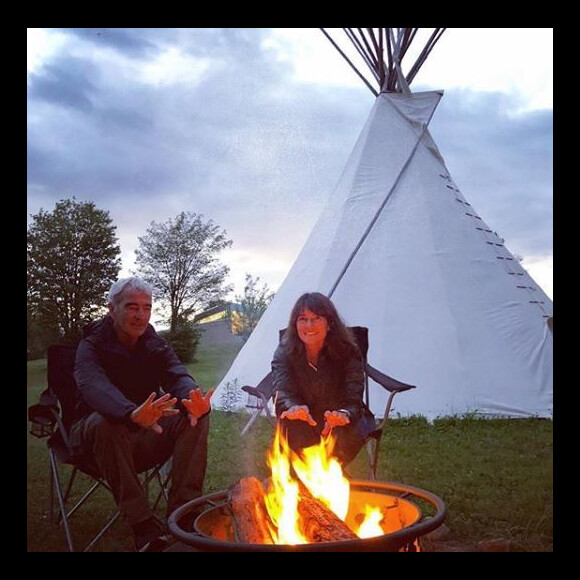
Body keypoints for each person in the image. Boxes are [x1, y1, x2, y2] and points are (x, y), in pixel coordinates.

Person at [70, 276, 213, 552]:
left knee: (193, 417)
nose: (140, 315)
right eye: (132, 307)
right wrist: (129, 413)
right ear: (112, 308)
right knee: (106, 423)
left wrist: (193, 398)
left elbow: (176, 373)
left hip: (143, 433)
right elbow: (93, 385)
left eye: (146, 307)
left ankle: (185, 514)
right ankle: (143, 526)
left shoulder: (152, 342)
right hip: (93, 438)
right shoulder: (91, 345)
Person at [272, 292, 376, 467]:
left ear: (330, 323)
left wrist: (343, 413)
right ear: (295, 324)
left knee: (342, 432)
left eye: (317, 318)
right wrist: (293, 407)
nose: (309, 325)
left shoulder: (348, 350)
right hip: (304, 414)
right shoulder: (285, 351)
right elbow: (283, 390)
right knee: (295, 426)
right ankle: (309, 483)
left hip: (344, 414)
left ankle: (326, 480)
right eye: (303, 319)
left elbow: (353, 395)